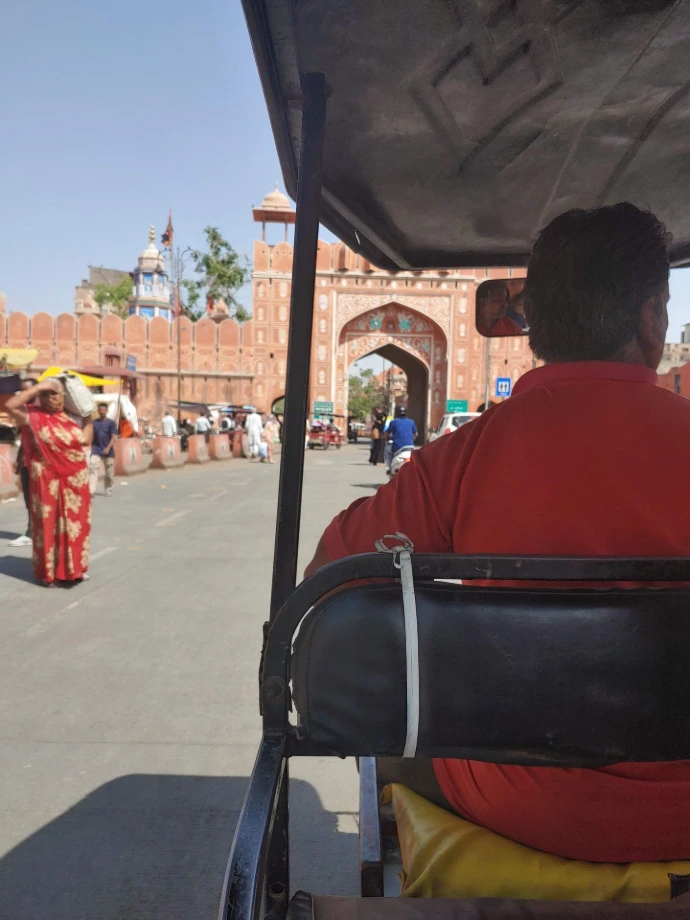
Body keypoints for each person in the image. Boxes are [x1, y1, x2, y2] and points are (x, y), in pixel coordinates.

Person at [306, 203, 690, 864]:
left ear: (530, 327)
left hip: (520, 805)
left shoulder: (461, 459)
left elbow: (328, 583)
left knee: (391, 752)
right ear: (652, 317)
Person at [6, 378, 92, 587]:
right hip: (46, 482)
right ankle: (50, 572)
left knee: (75, 526)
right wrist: (39, 386)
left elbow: (86, 440)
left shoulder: (73, 418)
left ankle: (75, 569)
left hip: (75, 482)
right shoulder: (33, 417)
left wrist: (89, 415)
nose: (51, 398)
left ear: (65, 396)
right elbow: (9, 406)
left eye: (55, 393)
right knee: (47, 525)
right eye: (46, 394)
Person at [8, 378, 38, 547]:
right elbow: (24, 438)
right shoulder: (24, 412)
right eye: (21, 391)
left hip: (43, 465)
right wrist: (19, 459)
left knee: (42, 501)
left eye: (27, 391)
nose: (23, 394)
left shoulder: (44, 412)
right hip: (27, 463)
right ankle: (31, 531)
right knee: (29, 500)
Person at [89, 402, 117, 497]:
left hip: (108, 451)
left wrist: (108, 448)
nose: (102, 412)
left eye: (103, 410)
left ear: (106, 411)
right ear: (98, 411)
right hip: (96, 450)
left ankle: (108, 489)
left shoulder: (111, 423)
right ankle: (91, 490)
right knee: (92, 469)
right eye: (100, 410)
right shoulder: (94, 423)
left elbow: (114, 437)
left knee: (109, 473)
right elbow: (91, 435)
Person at [384, 404, 417, 471]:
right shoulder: (411, 422)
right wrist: (412, 440)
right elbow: (416, 434)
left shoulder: (393, 422)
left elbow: (386, 434)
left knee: (387, 450)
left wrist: (386, 439)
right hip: (410, 447)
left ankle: (389, 468)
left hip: (398, 448)